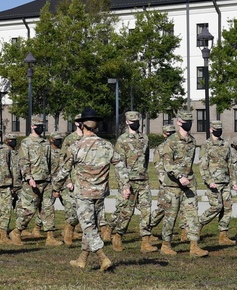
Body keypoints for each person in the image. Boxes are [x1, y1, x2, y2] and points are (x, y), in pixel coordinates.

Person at [53, 108, 123, 272]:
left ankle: (102, 257)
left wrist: (55, 187)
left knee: (88, 227)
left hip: (83, 194)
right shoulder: (107, 145)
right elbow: (120, 166)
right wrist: (125, 185)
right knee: (90, 226)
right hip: (100, 193)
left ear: (82, 125)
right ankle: (82, 260)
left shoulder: (76, 147)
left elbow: (63, 171)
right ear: (96, 126)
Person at [193, 120, 237, 253]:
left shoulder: (225, 145)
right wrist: (209, 181)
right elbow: (203, 165)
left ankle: (223, 236)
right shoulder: (206, 145)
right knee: (216, 206)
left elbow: (231, 164)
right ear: (211, 129)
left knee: (227, 208)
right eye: (216, 128)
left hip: (225, 182)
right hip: (213, 182)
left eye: (220, 128)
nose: (218, 131)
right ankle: (198, 224)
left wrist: (234, 182)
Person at [155, 110, 199, 256]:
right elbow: (168, 164)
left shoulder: (192, 141)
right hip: (172, 184)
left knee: (192, 213)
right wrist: (180, 176)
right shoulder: (171, 141)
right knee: (170, 216)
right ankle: (166, 245)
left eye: (190, 121)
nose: (189, 124)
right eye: (186, 121)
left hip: (189, 184)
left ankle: (194, 246)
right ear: (179, 122)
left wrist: (188, 178)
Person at [112, 111, 149, 252]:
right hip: (129, 181)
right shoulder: (122, 140)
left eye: (137, 121)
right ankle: (118, 234)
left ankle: (145, 241)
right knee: (127, 212)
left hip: (143, 180)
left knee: (146, 211)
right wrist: (124, 185)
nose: (135, 123)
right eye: (132, 121)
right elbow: (119, 164)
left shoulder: (144, 138)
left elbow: (145, 159)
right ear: (127, 122)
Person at [13, 116, 51, 245]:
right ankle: (16, 232)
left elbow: (49, 161)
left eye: (42, 125)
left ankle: (50, 237)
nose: (40, 127)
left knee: (47, 208)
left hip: (46, 180)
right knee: (29, 209)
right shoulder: (26, 143)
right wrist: (29, 177)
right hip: (32, 181)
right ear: (32, 126)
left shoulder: (45, 143)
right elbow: (23, 161)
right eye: (37, 125)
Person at [140, 124, 174, 252]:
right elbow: (158, 166)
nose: (170, 135)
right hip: (166, 183)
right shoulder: (161, 148)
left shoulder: (176, 146)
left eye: (172, 132)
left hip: (177, 183)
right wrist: (163, 180)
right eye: (168, 133)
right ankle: (147, 228)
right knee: (162, 209)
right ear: (164, 134)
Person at [57, 114, 83, 246]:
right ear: (75, 123)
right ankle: (68, 231)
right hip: (73, 179)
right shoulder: (69, 139)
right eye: (78, 121)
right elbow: (63, 161)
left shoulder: (89, 138)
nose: (80, 123)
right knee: (73, 210)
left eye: (82, 121)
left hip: (86, 180)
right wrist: (67, 180)